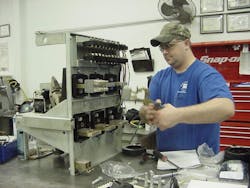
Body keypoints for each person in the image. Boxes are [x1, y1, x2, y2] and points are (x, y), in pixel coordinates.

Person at [139, 22, 235, 154]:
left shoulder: (205, 75)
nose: (165, 52)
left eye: (169, 45)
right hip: (166, 160)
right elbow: (146, 111)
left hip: (200, 166)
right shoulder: (159, 78)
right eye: (162, 48)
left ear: (186, 44)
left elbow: (226, 108)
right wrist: (146, 114)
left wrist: (177, 115)